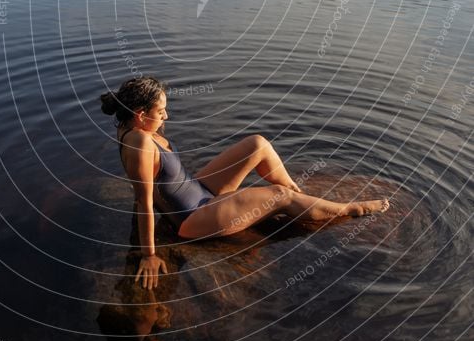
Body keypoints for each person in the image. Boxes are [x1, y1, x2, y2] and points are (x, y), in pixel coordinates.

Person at [100, 75, 389, 289]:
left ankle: (299, 196)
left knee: (257, 144)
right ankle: (349, 209)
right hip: (192, 219)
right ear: (140, 115)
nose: (167, 116)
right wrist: (148, 254)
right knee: (278, 196)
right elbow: (144, 200)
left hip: (198, 191)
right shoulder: (139, 141)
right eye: (161, 112)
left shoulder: (129, 125)